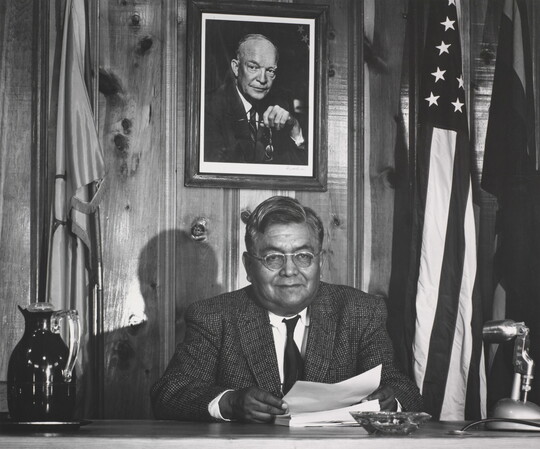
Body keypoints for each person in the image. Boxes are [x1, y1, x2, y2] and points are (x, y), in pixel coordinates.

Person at [150, 196, 423, 422]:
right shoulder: (214, 317)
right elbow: (170, 393)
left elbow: (403, 389)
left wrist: (391, 401)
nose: (290, 271)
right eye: (273, 258)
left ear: (320, 262)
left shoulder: (360, 311)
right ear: (248, 266)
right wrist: (230, 402)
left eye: (303, 256)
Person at [203, 34, 307, 165]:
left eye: (270, 71)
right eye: (253, 67)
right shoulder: (209, 109)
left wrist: (294, 128)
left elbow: (298, 169)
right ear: (236, 68)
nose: (262, 79)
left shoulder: (281, 106)